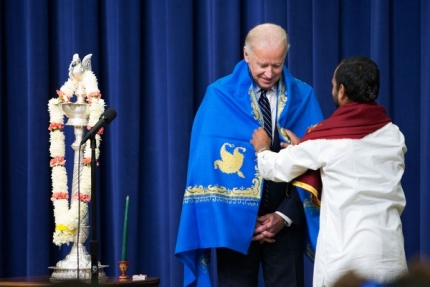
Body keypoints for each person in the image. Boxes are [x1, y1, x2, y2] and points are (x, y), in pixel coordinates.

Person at [175, 23, 323, 287]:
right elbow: (204, 165)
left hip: (286, 227)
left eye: (276, 66)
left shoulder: (304, 96)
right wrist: (240, 217)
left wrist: (283, 217)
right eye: (262, 65)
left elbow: (316, 165)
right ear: (246, 55)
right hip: (232, 227)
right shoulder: (219, 95)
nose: (269, 73)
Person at [250, 56, 408, 286]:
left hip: (348, 258)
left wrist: (263, 148)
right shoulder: (394, 134)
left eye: (333, 85)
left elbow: (275, 168)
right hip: (390, 252)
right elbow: (352, 161)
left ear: (342, 91)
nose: (332, 90)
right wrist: (302, 149)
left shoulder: (326, 137)